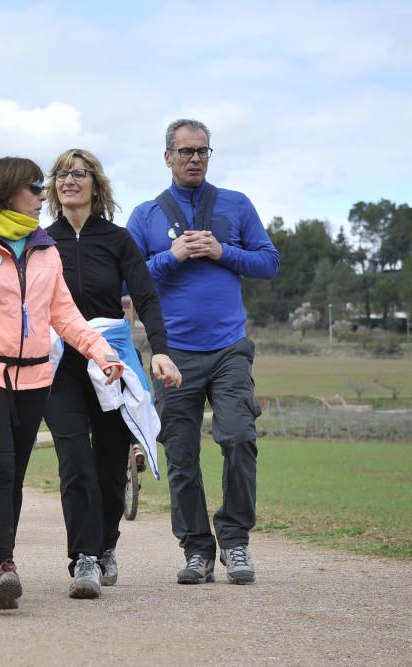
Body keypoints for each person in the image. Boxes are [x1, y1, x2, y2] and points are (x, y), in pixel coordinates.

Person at [0, 156, 123, 610]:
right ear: (7, 190)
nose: (43, 196)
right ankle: (3, 565)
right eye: (35, 187)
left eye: (43, 188)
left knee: (13, 472)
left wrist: (101, 352)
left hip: (37, 375)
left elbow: (64, 314)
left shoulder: (45, 249)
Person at [126, 119, 280, 585]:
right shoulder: (146, 214)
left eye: (203, 151)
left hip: (230, 347)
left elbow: (269, 262)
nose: (195, 158)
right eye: (185, 151)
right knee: (181, 454)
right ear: (167, 156)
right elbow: (125, 279)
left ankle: (235, 542)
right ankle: (196, 550)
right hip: (173, 354)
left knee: (237, 437)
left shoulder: (236, 204)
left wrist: (222, 251)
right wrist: (171, 256)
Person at [43, 148, 182, 600]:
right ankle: (82, 557)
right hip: (61, 363)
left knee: (107, 466)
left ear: (95, 185)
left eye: (79, 173)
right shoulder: (42, 241)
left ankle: (105, 546)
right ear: (53, 188)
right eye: (62, 174)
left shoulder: (119, 241)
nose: (69, 180)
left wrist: (159, 351)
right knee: (74, 462)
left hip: (111, 360)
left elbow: (146, 297)